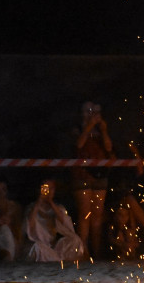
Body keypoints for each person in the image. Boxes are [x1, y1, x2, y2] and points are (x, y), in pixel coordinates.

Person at [72, 101, 113, 258]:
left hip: (100, 175)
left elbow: (109, 147)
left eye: (94, 112)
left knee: (97, 215)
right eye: (87, 111)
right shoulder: (77, 129)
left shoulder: (100, 130)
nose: (91, 115)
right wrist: (88, 127)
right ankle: (83, 251)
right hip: (82, 174)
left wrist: (103, 131)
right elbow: (79, 145)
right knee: (84, 214)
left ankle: (96, 252)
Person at [22, 178, 85, 262]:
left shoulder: (58, 208)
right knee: (38, 248)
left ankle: (58, 259)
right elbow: (29, 225)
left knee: (75, 240)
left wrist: (50, 202)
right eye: (46, 188)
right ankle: (55, 260)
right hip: (41, 245)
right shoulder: (32, 208)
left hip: (54, 247)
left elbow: (66, 223)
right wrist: (39, 202)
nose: (48, 191)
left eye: (51, 189)